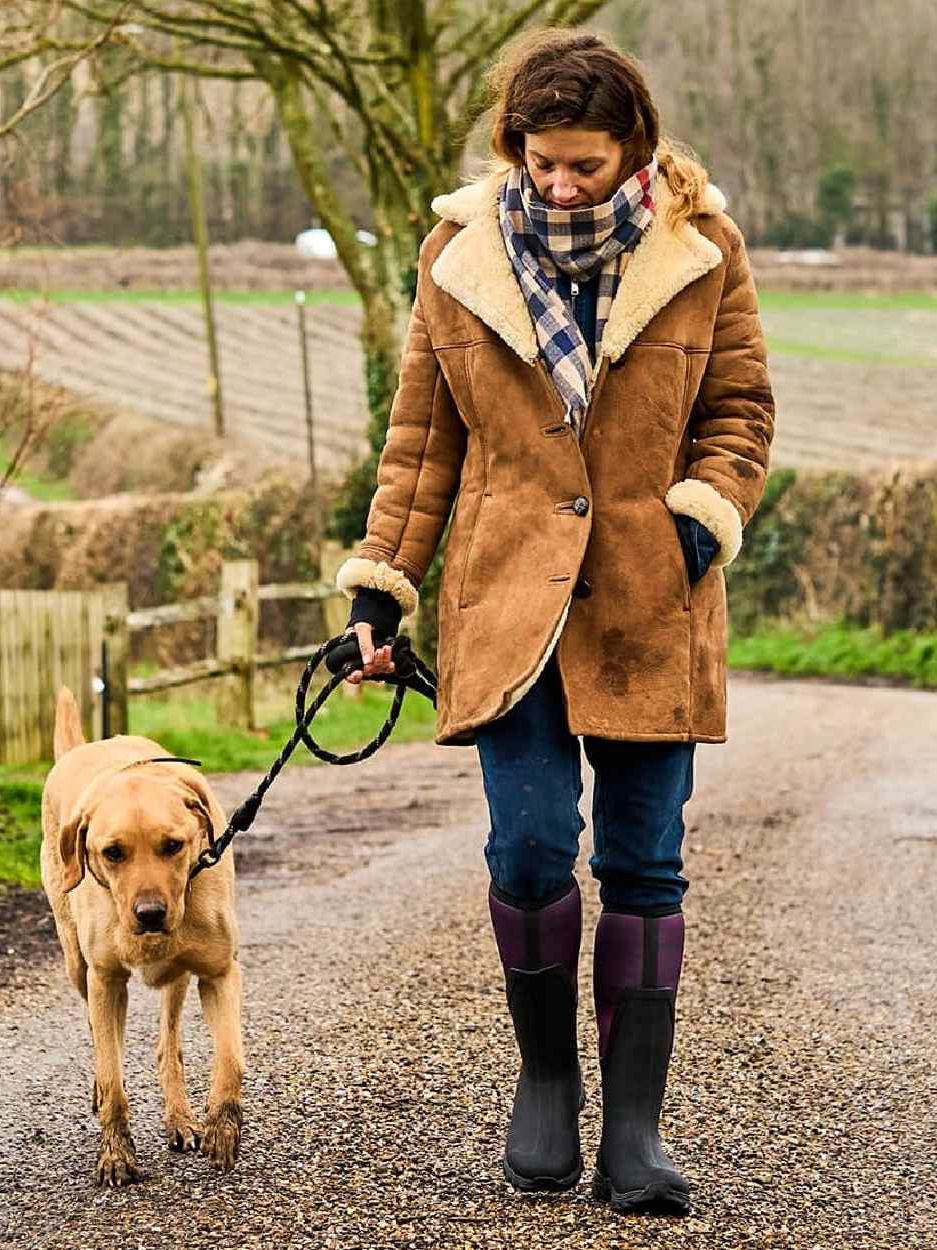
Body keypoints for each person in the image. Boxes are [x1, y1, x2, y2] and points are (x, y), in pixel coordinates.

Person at [333, 28, 775, 1217]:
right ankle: (545, 1083)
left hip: (648, 599)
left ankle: (634, 1129)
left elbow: (740, 408)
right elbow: (423, 437)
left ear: (632, 148)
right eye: (541, 163)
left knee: (643, 859)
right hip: (506, 597)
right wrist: (382, 576)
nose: (561, 186)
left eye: (584, 164)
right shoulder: (455, 257)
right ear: (512, 150)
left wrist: (702, 512)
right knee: (528, 846)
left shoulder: (702, 250)